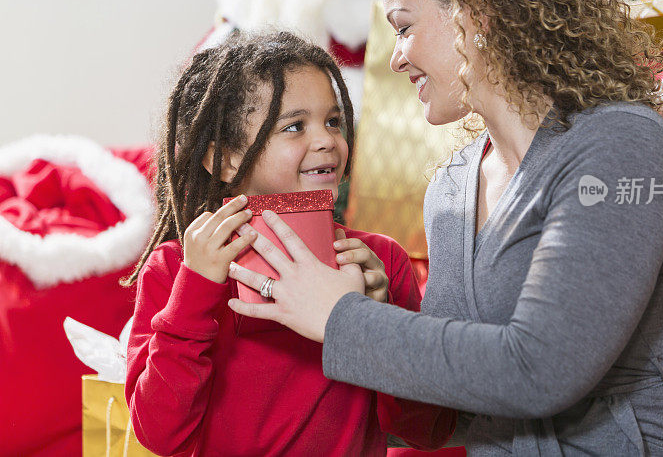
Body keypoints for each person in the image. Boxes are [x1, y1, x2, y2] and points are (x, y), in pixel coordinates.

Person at [226, 0, 663, 455]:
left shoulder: (622, 144)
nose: (395, 58)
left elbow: (542, 368)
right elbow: (449, 404)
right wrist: (375, 305)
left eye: (404, 27)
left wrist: (343, 317)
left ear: (474, 13)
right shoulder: (451, 188)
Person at [124, 31, 456, 456]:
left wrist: (378, 322)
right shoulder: (176, 270)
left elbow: (428, 430)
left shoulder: (379, 262)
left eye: (334, 121)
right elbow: (158, 433)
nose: (326, 141)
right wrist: (196, 291)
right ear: (224, 158)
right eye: (295, 126)